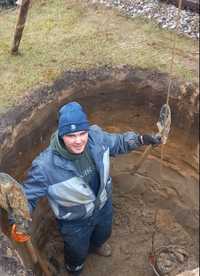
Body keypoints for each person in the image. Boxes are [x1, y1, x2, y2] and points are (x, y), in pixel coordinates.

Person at [11, 102, 161, 275]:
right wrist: (19, 220)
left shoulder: (96, 137)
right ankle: (74, 268)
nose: (78, 140)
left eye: (82, 133)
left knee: (104, 233)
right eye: (71, 135)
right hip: (75, 221)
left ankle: (97, 245)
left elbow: (118, 143)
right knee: (77, 251)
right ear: (61, 135)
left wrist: (140, 139)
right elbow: (27, 197)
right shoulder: (45, 166)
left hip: (103, 205)